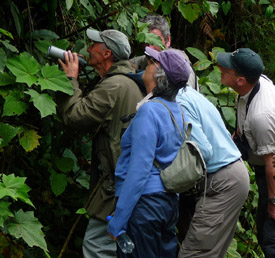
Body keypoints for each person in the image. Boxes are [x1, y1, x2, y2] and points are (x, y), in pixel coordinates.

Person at [57, 29, 144, 258]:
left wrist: (70, 79)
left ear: (106, 54)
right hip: (127, 179)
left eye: (93, 45)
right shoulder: (126, 80)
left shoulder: (114, 86)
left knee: (97, 246)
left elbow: (75, 116)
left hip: (115, 184)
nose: (87, 48)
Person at [107, 48, 202, 258]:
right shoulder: (177, 110)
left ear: (159, 75)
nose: (145, 66)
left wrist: (119, 220)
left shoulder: (149, 111)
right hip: (168, 204)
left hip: (145, 206)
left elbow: (139, 171)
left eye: (150, 63)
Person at [176, 85, 250, 257]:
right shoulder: (192, 94)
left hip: (222, 181)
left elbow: (203, 151)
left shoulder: (179, 102)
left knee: (194, 254)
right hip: (233, 173)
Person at [217, 48, 275, 258]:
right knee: (263, 227)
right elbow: (243, 127)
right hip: (262, 167)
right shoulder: (252, 86)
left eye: (227, 69)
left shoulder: (262, 114)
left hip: (270, 175)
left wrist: (273, 202)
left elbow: (272, 165)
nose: (220, 68)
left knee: (270, 237)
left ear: (240, 80)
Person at [131, 14, 199, 91]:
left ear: (168, 40)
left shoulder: (180, 65)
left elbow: (182, 98)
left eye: (155, 41)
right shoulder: (143, 60)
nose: (150, 47)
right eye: (146, 42)